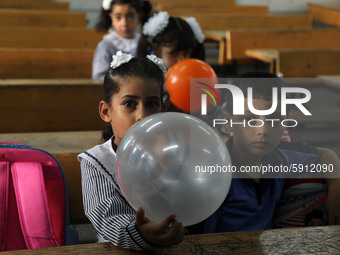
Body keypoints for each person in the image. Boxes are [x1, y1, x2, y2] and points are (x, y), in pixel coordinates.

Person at [202, 71, 340, 233]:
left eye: (274, 119)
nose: (263, 130)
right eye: (249, 119)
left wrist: (335, 198)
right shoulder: (214, 172)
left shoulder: (279, 156)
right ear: (229, 121)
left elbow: (326, 155)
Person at [78, 51, 184, 251]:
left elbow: (186, 203)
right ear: (106, 111)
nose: (142, 116)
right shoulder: (96, 162)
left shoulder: (171, 155)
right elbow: (107, 220)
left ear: (162, 110)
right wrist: (142, 232)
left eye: (152, 104)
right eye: (129, 104)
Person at [92, 0, 152, 80]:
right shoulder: (106, 45)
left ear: (139, 18)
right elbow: (98, 77)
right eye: (118, 17)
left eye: (130, 17)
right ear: (111, 18)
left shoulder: (145, 42)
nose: (124, 23)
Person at [137, 11, 205, 69]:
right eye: (173, 53)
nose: (181, 60)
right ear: (156, 50)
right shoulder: (147, 79)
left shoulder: (197, 75)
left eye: (186, 53)